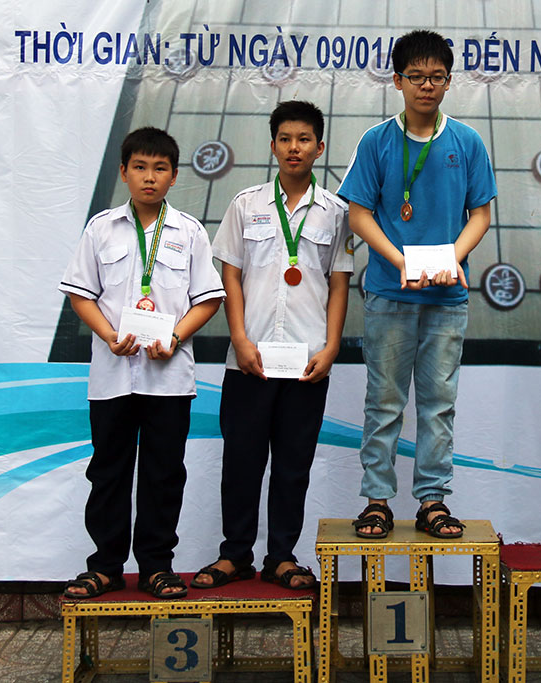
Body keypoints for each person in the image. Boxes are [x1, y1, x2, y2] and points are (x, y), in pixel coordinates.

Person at [337, 29, 496, 539]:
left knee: (438, 403)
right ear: (397, 81)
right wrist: (399, 260)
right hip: (390, 292)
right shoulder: (377, 141)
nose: (426, 86)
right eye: (416, 76)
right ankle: (377, 501)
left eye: (436, 77)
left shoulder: (466, 141)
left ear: (448, 82)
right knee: (384, 401)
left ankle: (432, 501)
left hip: (447, 297)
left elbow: (480, 213)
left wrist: (453, 257)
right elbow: (359, 215)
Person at [59, 127, 224, 599]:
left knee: (163, 473)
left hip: (168, 379)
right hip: (112, 376)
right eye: (140, 167)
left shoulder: (189, 231)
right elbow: (81, 294)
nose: (149, 177)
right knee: (107, 471)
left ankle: (156, 566)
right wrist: (109, 335)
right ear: (123, 172)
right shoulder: (101, 228)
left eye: (159, 168)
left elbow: (208, 298)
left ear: (174, 176)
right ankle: (105, 566)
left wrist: (175, 336)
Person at [194, 101, 351, 590]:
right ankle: (235, 555)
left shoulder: (336, 212)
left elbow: (339, 283)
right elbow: (230, 277)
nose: (293, 148)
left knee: (292, 465)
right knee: (242, 461)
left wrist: (331, 347)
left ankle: (281, 556)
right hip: (251, 360)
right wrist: (239, 340)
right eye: (285, 139)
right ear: (273, 145)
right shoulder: (246, 204)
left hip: (307, 362)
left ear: (319, 147)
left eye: (303, 139)